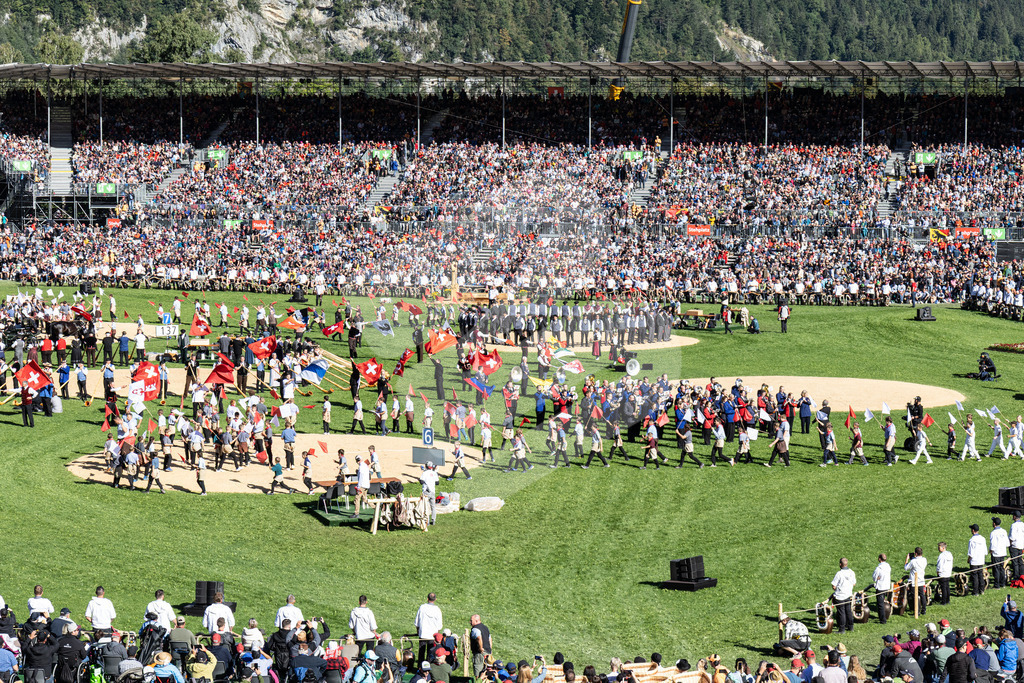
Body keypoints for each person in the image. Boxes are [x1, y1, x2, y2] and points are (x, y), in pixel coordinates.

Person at [414, 593, 443, 664]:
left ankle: (420, 666)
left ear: (427, 599)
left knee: (421, 651)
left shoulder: (422, 607)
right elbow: (439, 625)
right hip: (432, 635)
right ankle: (429, 665)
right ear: (435, 599)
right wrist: (437, 634)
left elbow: (417, 622)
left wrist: (418, 631)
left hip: (423, 633)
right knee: (430, 652)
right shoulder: (437, 609)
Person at [830, 558, 855, 634]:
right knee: (848, 611)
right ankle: (851, 627)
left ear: (840, 564)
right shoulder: (851, 572)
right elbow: (854, 583)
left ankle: (842, 629)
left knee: (842, 613)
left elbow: (834, 586)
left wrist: (836, 588)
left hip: (840, 596)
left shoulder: (839, 573)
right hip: (848, 595)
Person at [904, 547, 928, 615]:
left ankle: (917, 611)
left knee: (915, 596)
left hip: (914, 581)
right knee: (922, 595)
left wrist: (907, 559)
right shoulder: (924, 560)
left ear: (916, 553)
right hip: (921, 580)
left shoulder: (913, 561)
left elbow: (906, 568)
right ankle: (924, 610)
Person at [871, 554, 891, 624]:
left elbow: (874, 578)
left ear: (879, 559)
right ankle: (885, 616)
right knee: (883, 602)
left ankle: (882, 620)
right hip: (887, 586)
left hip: (881, 587)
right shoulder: (888, 566)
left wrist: (877, 578)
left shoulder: (878, 568)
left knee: (880, 604)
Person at [968, 523, 988, 595]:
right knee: (980, 575)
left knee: (975, 576)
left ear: (973, 530)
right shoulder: (983, 538)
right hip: (981, 560)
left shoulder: (972, 540)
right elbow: (985, 551)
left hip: (974, 561)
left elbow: (971, 552)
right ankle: (981, 590)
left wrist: (968, 559)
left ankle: (975, 591)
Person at [991, 517, 1010, 589]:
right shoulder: (1004, 531)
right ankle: (1003, 583)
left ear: (994, 524)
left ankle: (997, 584)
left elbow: (992, 544)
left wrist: (991, 550)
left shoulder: (993, 533)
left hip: (996, 553)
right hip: (1002, 552)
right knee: (1002, 568)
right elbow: (1007, 543)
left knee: (996, 569)